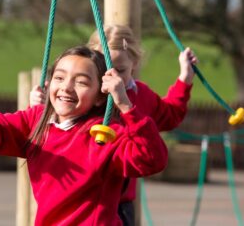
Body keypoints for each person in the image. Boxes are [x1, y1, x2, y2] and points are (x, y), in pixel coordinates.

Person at [0, 46, 168, 226]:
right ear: (49, 85)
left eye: (82, 82)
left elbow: (151, 160)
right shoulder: (36, 120)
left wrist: (125, 105)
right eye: (59, 77)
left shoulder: (105, 133)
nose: (66, 87)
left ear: (99, 97)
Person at [29, 25, 198, 226]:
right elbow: (59, 126)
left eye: (119, 70)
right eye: (102, 69)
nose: (112, 77)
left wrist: (184, 79)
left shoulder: (139, 96)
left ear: (134, 63)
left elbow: (170, 115)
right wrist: (42, 106)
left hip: (121, 203)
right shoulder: (83, 98)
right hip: (82, 198)